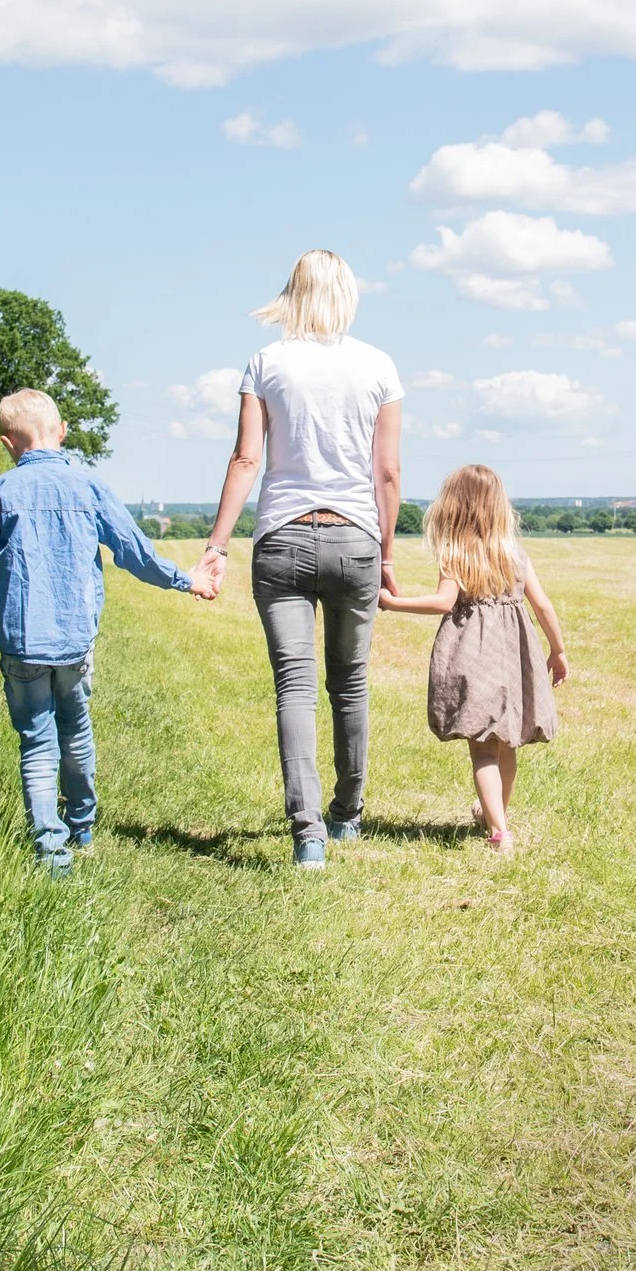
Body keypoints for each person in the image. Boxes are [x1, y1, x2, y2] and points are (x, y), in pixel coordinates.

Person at [192, 250, 403, 869]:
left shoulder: (267, 362)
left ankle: (306, 832)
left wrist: (216, 546)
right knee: (351, 683)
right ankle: (348, 811)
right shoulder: (378, 366)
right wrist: (386, 553)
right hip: (355, 538)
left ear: (293, 293)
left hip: (280, 539)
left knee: (295, 685)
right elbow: (387, 472)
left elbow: (245, 461)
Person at [0, 387, 206, 876]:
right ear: (61, 433)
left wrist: (4, 622)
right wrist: (187, 580)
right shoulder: (89, 488)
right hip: (74, 638)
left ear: (8, 443)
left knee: (36, 742)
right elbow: (134, 552)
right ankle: (82, 828)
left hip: (20, 641)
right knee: (75, 731)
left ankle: (51, 851)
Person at [377, 464, 567, 854]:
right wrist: (558, 650)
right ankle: (496, 816)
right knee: (508, 743)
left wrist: (394, 602)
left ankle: (498, 831)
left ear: (454, 507)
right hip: (515, 657)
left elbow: (443, 602)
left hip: (473, 658)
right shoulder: (514, 555)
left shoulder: (457, 555)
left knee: (483, 749)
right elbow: (543, 606)